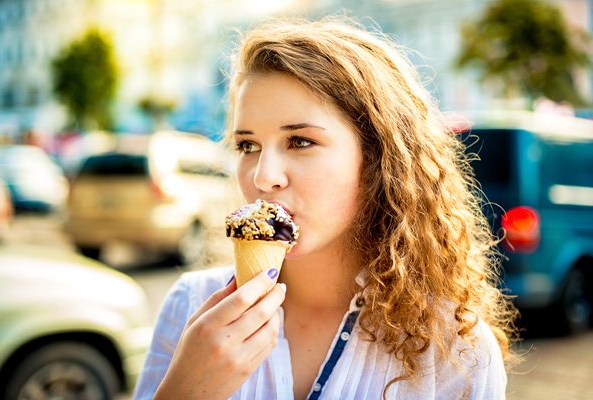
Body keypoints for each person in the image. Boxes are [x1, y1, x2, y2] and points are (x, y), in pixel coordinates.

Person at [133, 16, 518, 400]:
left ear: (378, 158)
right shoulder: (191, 306)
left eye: (300, 141)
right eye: (248, 146)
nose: (263, 177)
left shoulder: (455, 349)